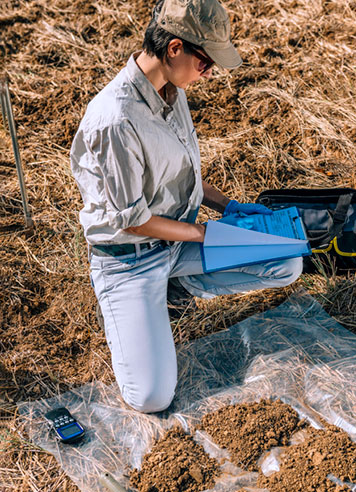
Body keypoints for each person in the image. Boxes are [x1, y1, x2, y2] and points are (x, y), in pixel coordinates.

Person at [70, 0, 303, 413]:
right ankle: (137, 301)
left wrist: (230, 207)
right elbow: (135, 222)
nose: (209, 73)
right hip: (131, 259)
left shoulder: (172, 91)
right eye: (206, 62)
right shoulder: (115, 120)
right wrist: (207, 234)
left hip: (177, 242)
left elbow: (184, 174)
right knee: (152, 397)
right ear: (175, 48)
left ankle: (177, 287)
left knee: (285, 263)